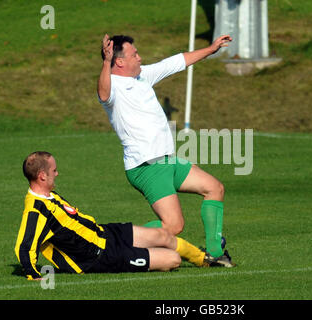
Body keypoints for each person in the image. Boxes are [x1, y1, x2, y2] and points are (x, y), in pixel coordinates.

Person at [97, 33, 235, 265]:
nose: (140, 58)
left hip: (168, 161)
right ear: (119, 61)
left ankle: (215, 253)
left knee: (215, 188)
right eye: (134, 54)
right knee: (174, 226)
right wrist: (105, 62)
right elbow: (102, 93)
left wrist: (210, 50)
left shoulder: (142, 76)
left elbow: (175, 62)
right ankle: (111, 244)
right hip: (146, 167)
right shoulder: (113, 87)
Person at [15, 152, 232, 281]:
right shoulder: (35, 210)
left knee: (163, 235)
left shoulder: (49, 195)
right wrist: (34, 274)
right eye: (54, 171)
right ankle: (144, 254)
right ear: (42, 176)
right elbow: (24, 246)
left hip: (105, 232)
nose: (57, 173)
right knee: (173, 260)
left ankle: (205, 259)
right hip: (100, 257)